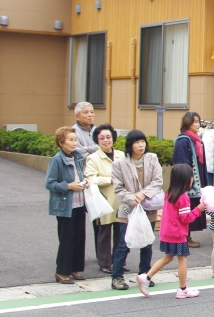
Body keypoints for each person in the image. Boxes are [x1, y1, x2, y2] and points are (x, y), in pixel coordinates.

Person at [136, 164, 206, 299]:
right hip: (178, 234)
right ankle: (182, 289)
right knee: (182, 260)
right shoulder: (183, 197)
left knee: (168, 257)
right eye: (191, 177)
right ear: (186, 180)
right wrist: (198, 209)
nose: (192, 179)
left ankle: (146, 277)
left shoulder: (169, 193)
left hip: (166, 233)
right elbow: (186, 218)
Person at [110, 130, 162, 291]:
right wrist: (132, 197)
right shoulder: (119, 164)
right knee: (124, 243)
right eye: (137, 142)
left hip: (148, 207)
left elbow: (157, 180)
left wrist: (143, 194)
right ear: (130, 145)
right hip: (128, 208)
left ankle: (145, 274)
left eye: (143, 141)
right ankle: (117, 276)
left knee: (147, 242)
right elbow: (118, 188)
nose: (141, 145)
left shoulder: (152, 158)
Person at [46, 126, 89, 284]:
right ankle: (61, 272)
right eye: (70, 140)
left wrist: (85, 181)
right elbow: (50, 183)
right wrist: (68, 186)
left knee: (79, 237)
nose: (74, 143)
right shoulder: (56, 159)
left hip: (79, 204)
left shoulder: (77, 157)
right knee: (66, 239)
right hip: (65, 206)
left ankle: (74, 268)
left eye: (75, 140)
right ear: (61, 142)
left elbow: (81, 175)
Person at [84, 124, 125, 274]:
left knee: (121, 233)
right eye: (102, 138)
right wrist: (111, 179)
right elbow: (90, 179)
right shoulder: (93, 158)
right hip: (104, 200)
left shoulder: (121, 155)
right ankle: (104, 262)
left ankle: (119, 261)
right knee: (105, 233)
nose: (106, 140)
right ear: (97, 140)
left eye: (108, 137)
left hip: (122, 200)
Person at [172, 112, 208, 248]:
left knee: (191, 207)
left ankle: (187, 235)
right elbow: (181, 163)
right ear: (187, 123)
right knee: (186, 208)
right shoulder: (183, 140)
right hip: (188, 182)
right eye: (195, 122)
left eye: (199, 121)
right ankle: (184, 237)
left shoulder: (196, 139)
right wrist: (188, 180)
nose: (198, 124)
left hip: (195, 180)